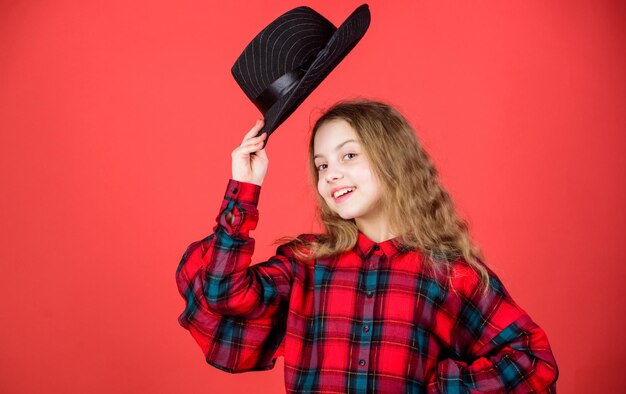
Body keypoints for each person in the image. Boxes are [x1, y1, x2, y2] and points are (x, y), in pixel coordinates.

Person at [175, 99, 559, 393]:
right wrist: (245, 186)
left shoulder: (447, 274)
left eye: (349, 155)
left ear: (393, 160)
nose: (332, 173)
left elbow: (532, 363)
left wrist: (435, 384)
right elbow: (222, 293)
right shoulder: (306, 263)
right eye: (321, 165)